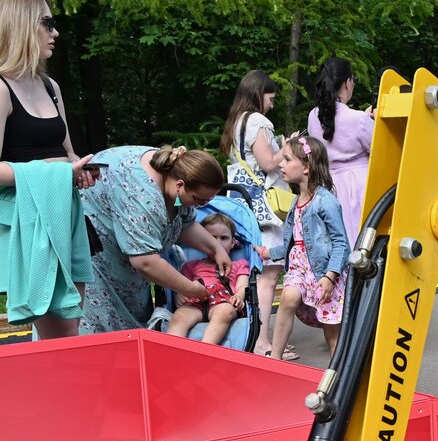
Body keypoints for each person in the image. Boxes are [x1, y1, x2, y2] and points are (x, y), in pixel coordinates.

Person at [0, 0, 97, 338]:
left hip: (64, 211)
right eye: (47, 23)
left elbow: (66, 151)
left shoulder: (51, 86)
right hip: (29, 219)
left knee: (69, 327)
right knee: (62, 336)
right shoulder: (0, 88)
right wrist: (57, 173)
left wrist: (80, 168)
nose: (55, 33)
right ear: (20, 25)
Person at [79, 145, 226, 334]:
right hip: (94, 254)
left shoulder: (175, 170)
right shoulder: (143, 196)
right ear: (180, 185)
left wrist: (216, 248)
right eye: (199, 200)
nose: (201, 206)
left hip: (126, 270)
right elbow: (145, 262)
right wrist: (192, 289)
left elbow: (183, 224)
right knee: (101, 332)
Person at [258, 133, 348, 359]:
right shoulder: (296, 201)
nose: (281, 164)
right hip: (299, 269)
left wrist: (329, 276)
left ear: (306, 166)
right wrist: (269, 253)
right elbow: (293, 242)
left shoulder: (325, 201)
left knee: (332, 333)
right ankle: (275, 358)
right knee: (288, 297)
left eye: (287, 159)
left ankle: (338, 374)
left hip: (323, 272)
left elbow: (341, 243)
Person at [221, 70, 287, 355]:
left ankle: (253, 337)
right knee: (269, 275)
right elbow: (269, 163)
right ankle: (262, 342)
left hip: (241, 202)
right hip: (264, 206)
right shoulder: (257, 121)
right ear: (260, 94)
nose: (271, 104)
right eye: (270, 98)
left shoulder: (235, 122)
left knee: (252, 274)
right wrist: (287, 146)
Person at [307, 56, 375, 241]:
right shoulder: (358, 119)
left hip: (327, 184)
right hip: (357, 185)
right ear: (347, 83)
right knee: (359, 238)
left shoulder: (313, 116)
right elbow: (377, 149)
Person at [166, 212, 250, 344]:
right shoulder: (191, 266)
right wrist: (179, 296)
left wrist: (239, 296)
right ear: (202, 242)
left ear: (233, 242)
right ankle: (174, 353)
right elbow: (180, 286)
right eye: (212, 238)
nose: (218, 242)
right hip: (195, 301)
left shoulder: (239, 264)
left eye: (224, 238)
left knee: (225, 312)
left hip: (224, 301)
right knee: (179, 317)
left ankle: (205, 350)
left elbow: (243, 284)